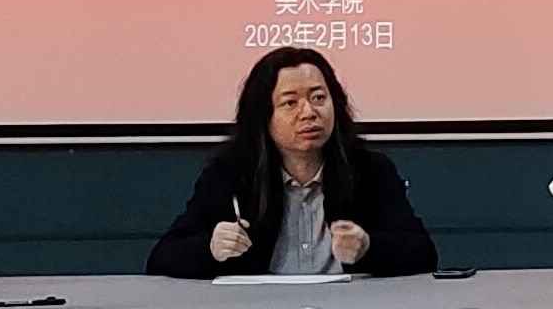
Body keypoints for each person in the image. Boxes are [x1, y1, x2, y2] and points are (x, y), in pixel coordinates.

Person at [150, 47, 437, 278]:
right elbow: (163, 257)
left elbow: (423, 253)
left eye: (319, 98)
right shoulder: (231, 174)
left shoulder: (369, 170)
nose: (309, 112)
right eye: (290, 103)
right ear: (263, 116)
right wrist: (210, 249)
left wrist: (368, 248)